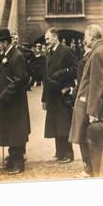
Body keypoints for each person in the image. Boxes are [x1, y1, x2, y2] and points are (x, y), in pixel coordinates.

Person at [69, 25, 103, 176]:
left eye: (85, 37)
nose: (83, 40)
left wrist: (92, 111)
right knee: (84, 137)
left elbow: (97, 83)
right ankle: (89, 169)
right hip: (86, 102)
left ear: (92, 37)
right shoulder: (100, 50)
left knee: (85, 137)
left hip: (88, 104)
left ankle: (90, 170)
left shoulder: (98, 53)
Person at [0, 28, 31, 175]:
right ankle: (12, 158)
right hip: (8, 102)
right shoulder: (7, 55)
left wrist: (4, 95)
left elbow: (19, 80)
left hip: (15, 102)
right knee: (10, 130)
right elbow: (2, 79)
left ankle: (18, 163)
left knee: (16, 131)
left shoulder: (17, 56)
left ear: (4, 42)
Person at [42, 27, 78, 163]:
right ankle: (59, 151)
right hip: (52, 95)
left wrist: (62, 73)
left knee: (64, 125)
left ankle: (68, 153)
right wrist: (44, 99)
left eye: (48, 39)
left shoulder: (66, 51)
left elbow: (76, 68)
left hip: (63, 94)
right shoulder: (49, 52)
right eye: (45, 39)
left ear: (55, 37)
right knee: (55, 124)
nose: (46, 42)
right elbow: (45, 77)